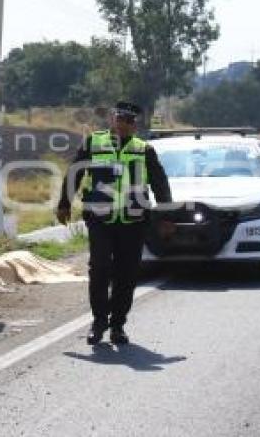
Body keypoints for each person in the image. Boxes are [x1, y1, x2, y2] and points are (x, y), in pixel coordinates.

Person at [56, 101, 174, 345]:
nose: (123, 124)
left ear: (135, 125)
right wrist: (64, 203)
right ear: (112, 118)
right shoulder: (93, 143)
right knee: (99, 268)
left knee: (127, 274)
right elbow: (74, 173)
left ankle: (118, 325)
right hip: (100, 218)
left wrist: (166, 216)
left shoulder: (144, 150)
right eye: (120, 118)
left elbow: (160, 184)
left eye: (129, 121)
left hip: (133, 220)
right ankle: (99, 321)